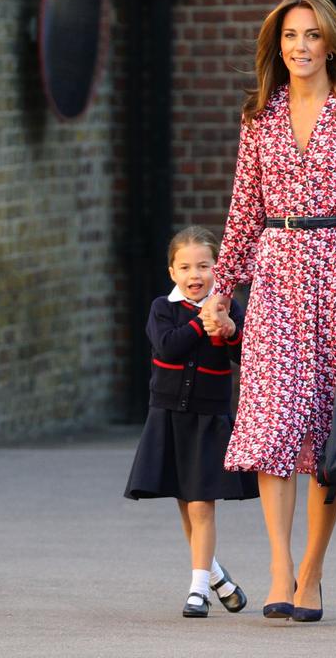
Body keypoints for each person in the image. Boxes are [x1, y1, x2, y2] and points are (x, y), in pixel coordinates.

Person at [203, 0, 336, 622]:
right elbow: (242, 209)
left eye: (312, 35)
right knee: (271, 427)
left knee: (330, 432)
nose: (301, 47)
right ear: (277, 45)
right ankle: (280, 570)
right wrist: (220, 289)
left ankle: (312, 568)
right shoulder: (259, 115)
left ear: (330, 42)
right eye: (290, 36)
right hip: (278, 276)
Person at [124, 225, 258, 618]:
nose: (195, 275)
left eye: (204, 265)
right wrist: (203, 321)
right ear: (172, 272)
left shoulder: (229, 307)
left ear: (218, 268)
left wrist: (231, 330)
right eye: (185, 267)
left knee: (201, 505)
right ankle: (218, 577)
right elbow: (168, 345)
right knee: (186, 505)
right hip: (168, 415)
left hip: (208, 417)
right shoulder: (161, 309)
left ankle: (198, 590)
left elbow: (246, 354)